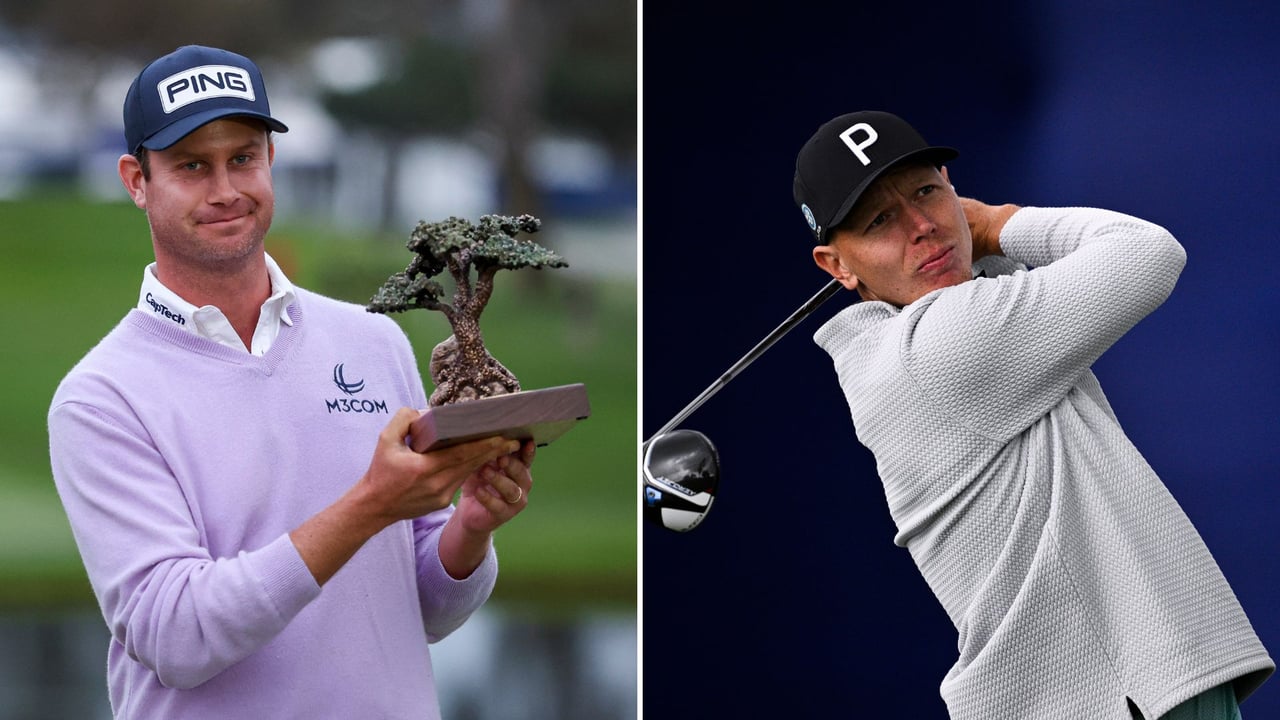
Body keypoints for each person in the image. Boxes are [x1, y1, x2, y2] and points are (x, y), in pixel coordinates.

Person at [47, 45, 535, 719]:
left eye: (243, 158)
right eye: (192, 166)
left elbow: (424, 605)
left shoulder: (372, 339)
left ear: (270, 161)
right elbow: (176, 635)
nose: (225, 190)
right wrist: (369, 504)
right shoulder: (101, 397)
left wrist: (472, 530)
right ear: (137, 180)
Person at [793, 110, 1273, 720]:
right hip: (1116, 694)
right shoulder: (941, 345)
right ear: (837, 265)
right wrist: (998, 223)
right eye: (880, 220)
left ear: (949, 182)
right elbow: (1146, 252)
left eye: (925, 192)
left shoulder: (903, 344)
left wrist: (974, 247)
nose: (921, 225)